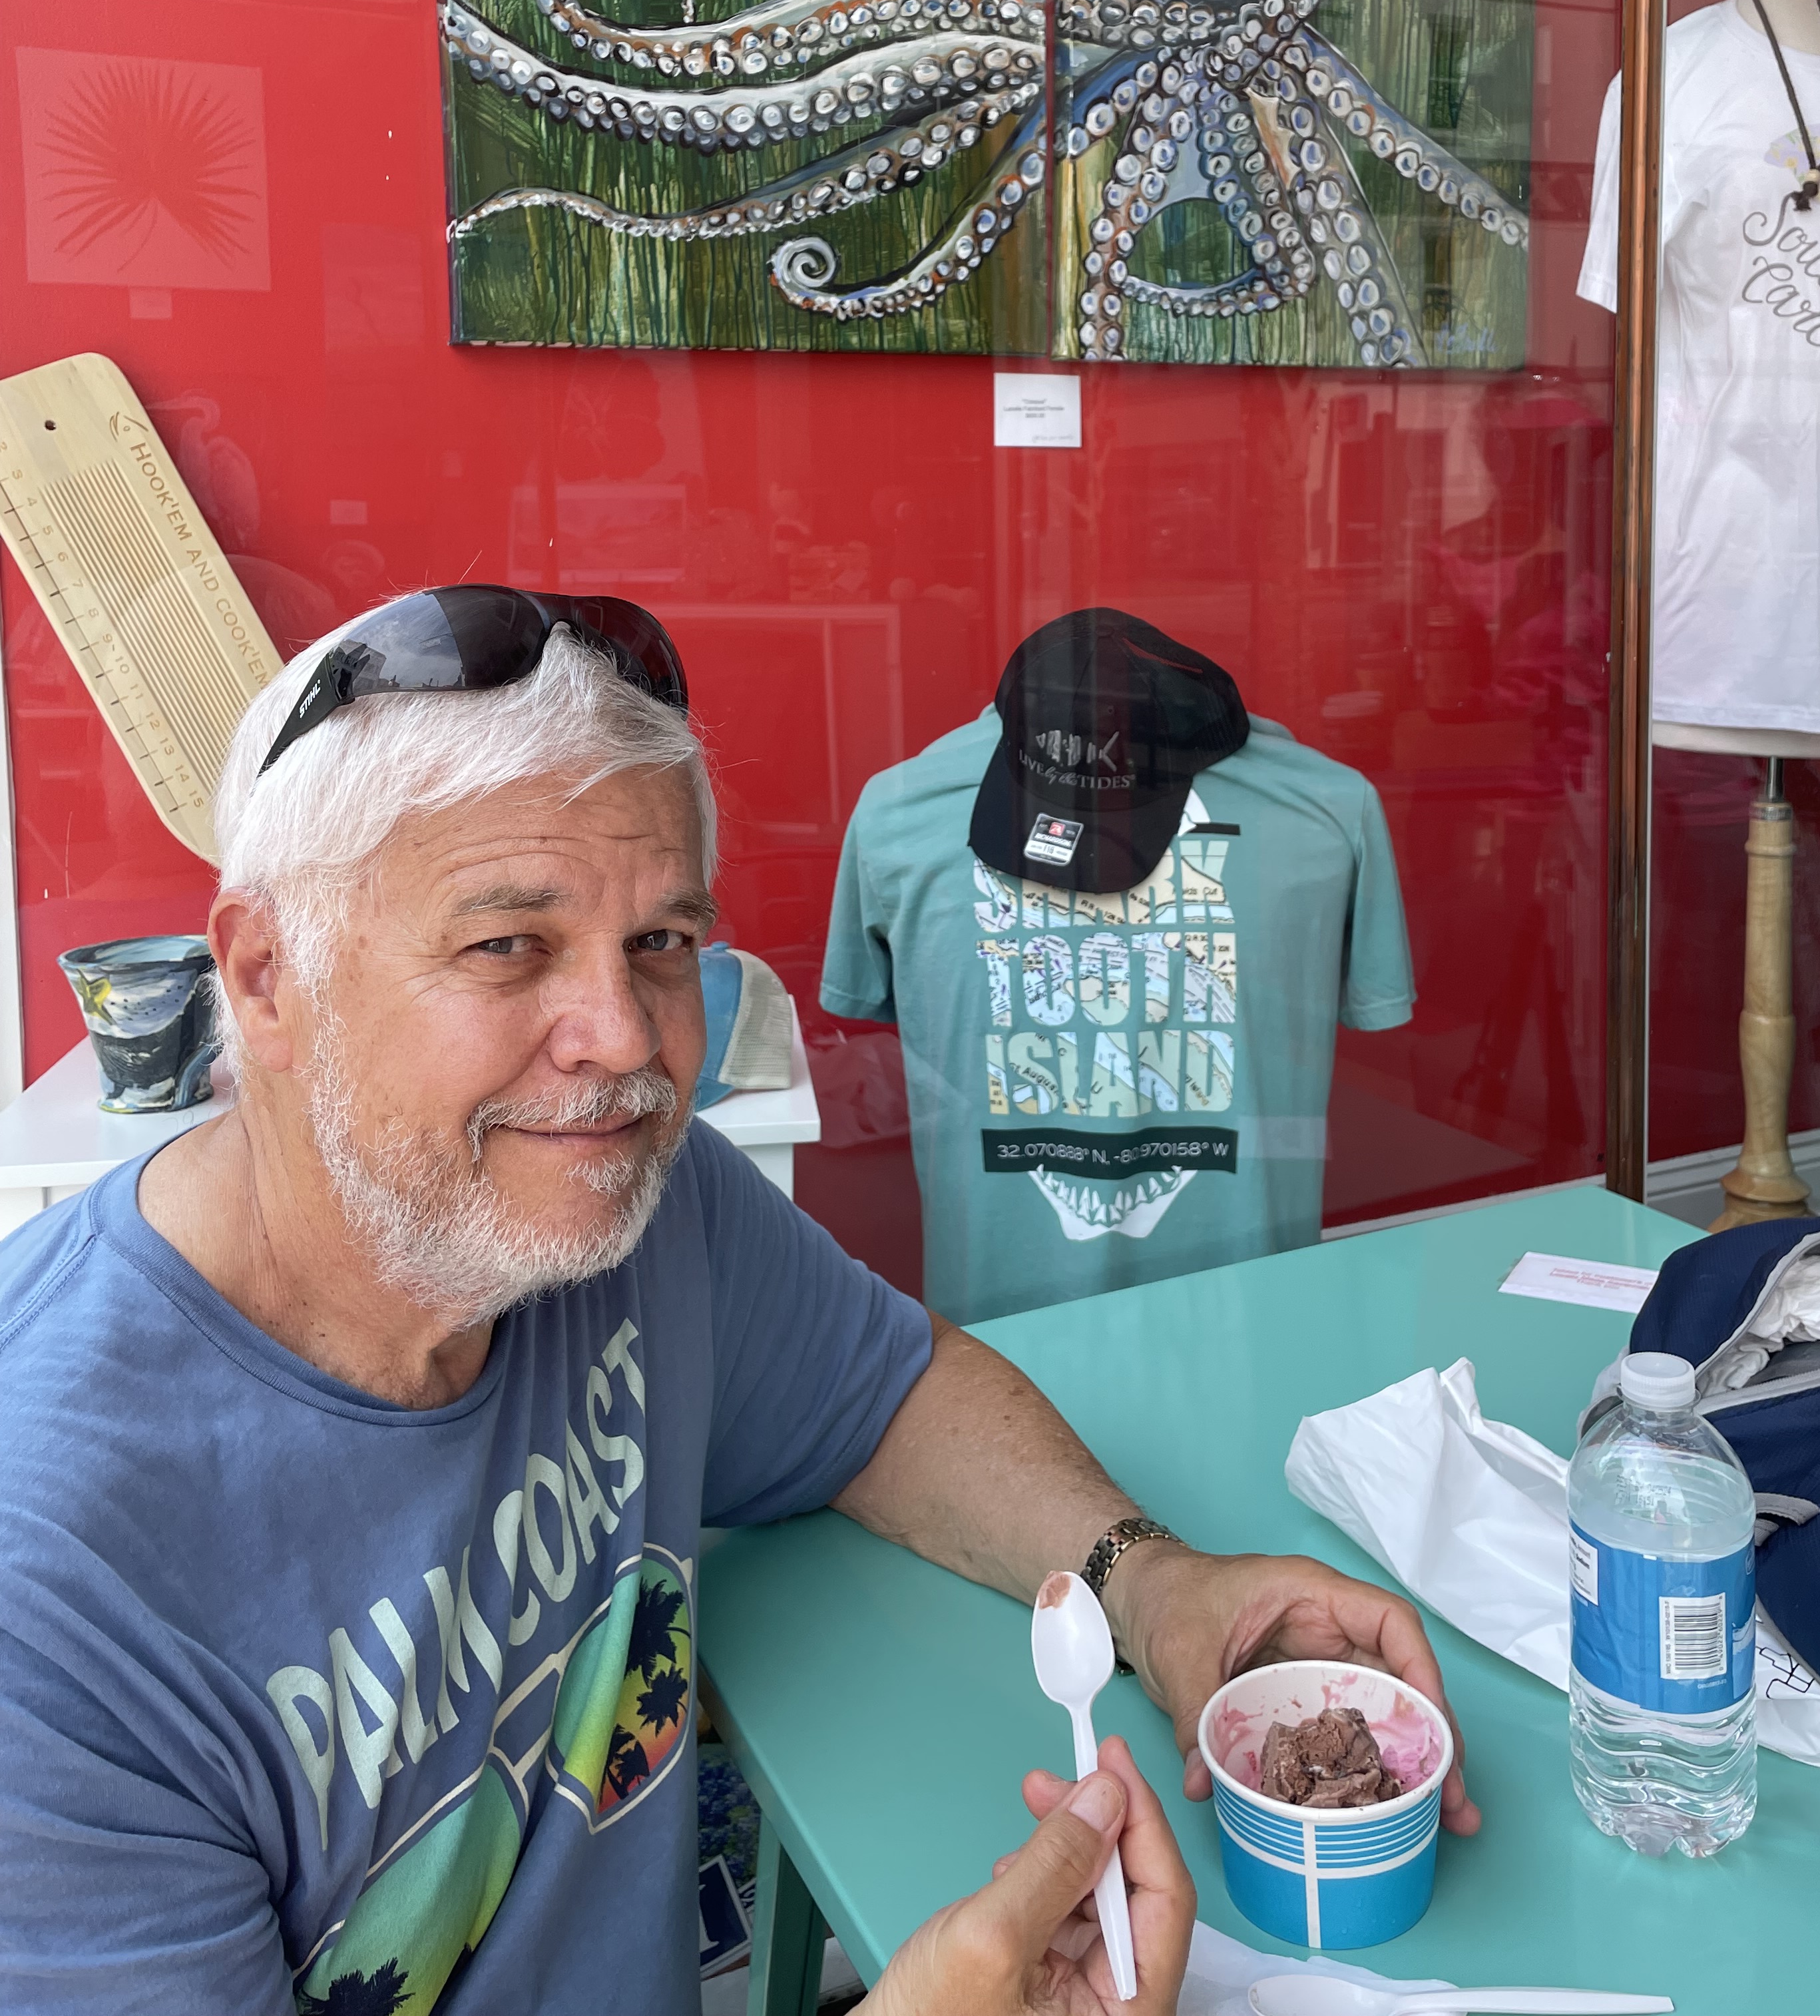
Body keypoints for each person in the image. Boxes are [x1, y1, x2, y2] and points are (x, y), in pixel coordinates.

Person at [0, 587, 1475, 2014]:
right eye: (508, 944)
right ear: (266, 979)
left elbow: (885, 1398)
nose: (627, 1038)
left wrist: (1152, 1589)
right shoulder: (49, 1595)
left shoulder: (631, 1211)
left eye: (661, 942)